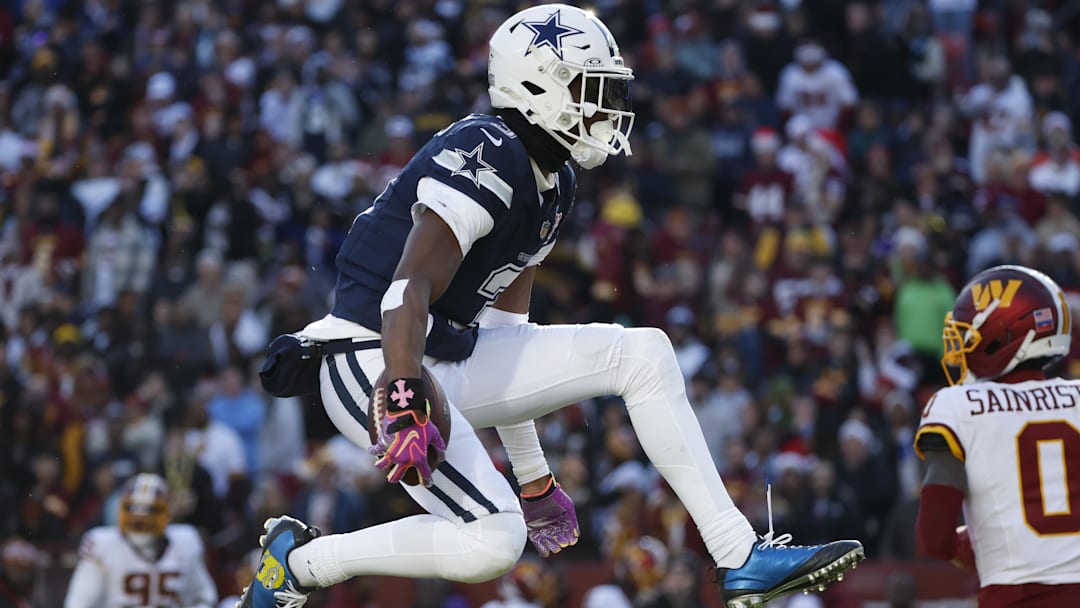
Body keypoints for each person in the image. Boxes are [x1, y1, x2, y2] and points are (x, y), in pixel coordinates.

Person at [242, 5, 862, 608]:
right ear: (539, 86)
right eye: (593, 90)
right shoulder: (488, 146)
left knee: (643, 353)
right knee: (494, 541)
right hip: (374, 353)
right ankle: (297, 566)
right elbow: (406, 290)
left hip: (442, 353)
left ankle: (739, 556)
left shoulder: (555, 181)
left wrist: (534, 476)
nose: (608, 109)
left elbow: (508, 337)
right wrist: (403, 395)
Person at [915, 264, 1080, 606]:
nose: (961, 345)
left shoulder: (957, 406)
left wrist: (964, 546)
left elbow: (933, 535)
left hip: (1017, 594)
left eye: (968, 334)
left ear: (1002, 335)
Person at [64, 473, 217, 608]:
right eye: (134, 509)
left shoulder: (185, 541)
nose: (141, 518)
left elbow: (206, 598)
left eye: (151, 510)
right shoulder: (102, 544)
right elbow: (78, 604)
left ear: (167, 511)